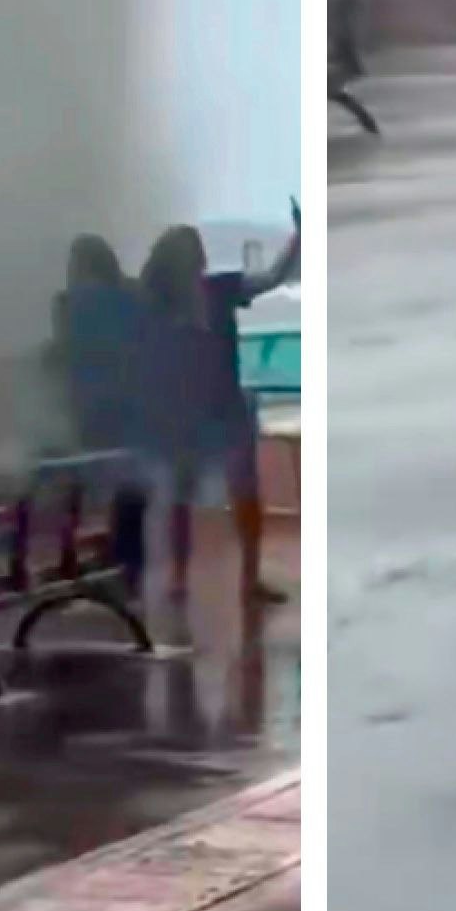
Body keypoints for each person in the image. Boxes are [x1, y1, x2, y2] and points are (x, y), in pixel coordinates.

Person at [132, 222, 298, 631]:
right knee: (244, 496)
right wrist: (299, 239)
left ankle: (180, 578)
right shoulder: (218, 290)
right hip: (224, 407)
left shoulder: (154, 305)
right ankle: (249, 579)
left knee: (182, 497)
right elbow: (273, 278)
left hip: (182, 411)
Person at [52, 235, 144, 453]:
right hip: (134, 410)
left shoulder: (68, 305)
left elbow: (66, 358)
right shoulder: (134, 295)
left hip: (90, 413)